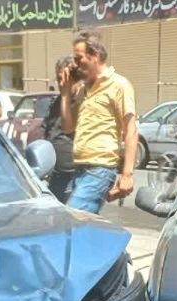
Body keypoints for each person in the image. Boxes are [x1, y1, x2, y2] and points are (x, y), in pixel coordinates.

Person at [60, 31, 138, 214]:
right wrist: (65, 93)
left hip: (99, 170)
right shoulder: (84, 89)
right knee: (80, 224)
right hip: (79, 168)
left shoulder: (118, 85)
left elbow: (131, 130)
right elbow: (68, 127)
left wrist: (127, 174)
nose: (75, 64)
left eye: (78, 58)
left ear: (94, 56)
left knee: (72, 220)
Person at [42, 56, 78, 201]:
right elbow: (48, 129)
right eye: (58, 79)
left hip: (74, 174)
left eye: (64, 78)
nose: (61, 83)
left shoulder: (83, 101)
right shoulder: (57, 101)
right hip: (55, 174)